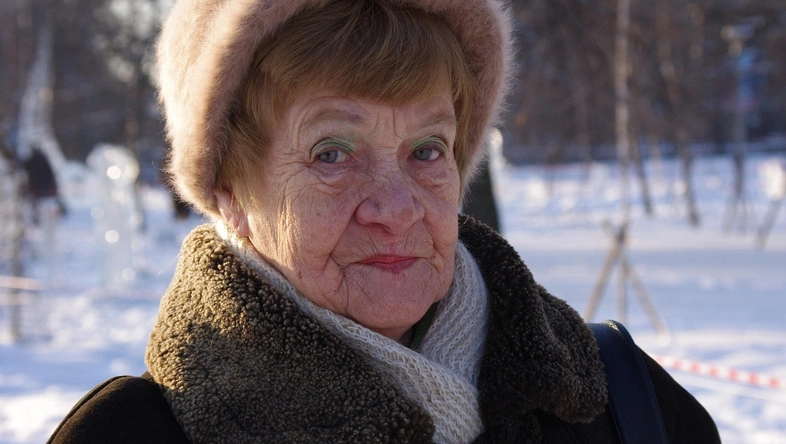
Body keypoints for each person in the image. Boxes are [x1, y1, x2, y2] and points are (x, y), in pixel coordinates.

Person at [48, 0, 720, 442]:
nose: (396, 209)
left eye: (427, 150)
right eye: (332, 153)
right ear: (231, 192)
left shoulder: (623, 403)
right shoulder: (130, 436)